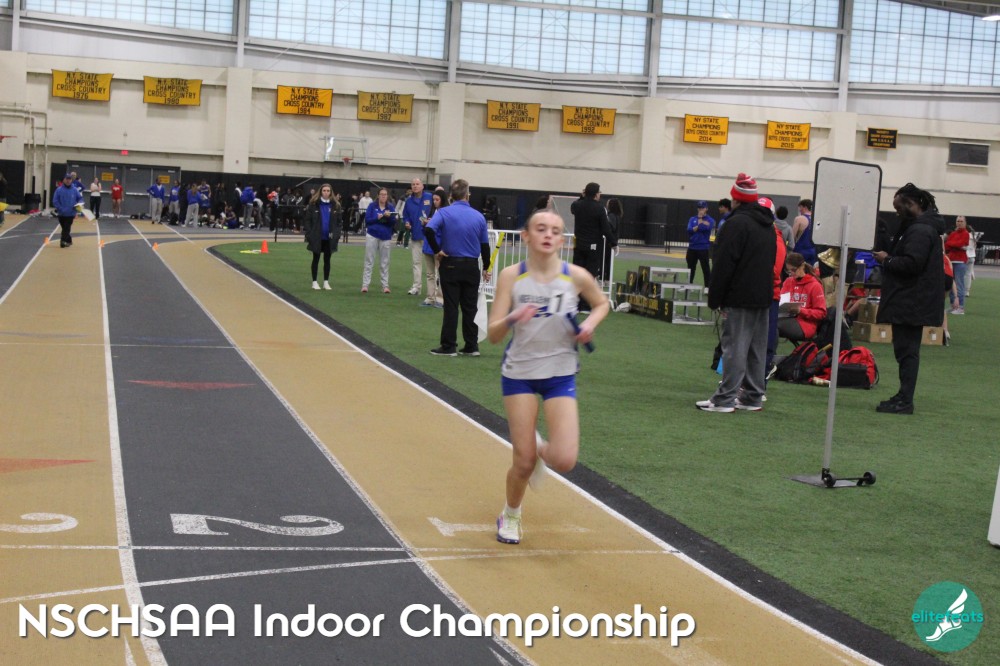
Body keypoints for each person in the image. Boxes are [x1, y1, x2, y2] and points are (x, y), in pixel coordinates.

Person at [486, 210, 609, 545]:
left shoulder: (576, 276)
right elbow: (493, 334)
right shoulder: (512, 276)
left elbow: (602, 304)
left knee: (565, 459)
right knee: (523, 461)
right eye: (541, 229)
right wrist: (513, 317)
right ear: (526, 236)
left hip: (560, 373)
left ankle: (541, 448)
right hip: (520, 374)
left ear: (563, 240)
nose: (548, 235)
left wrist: (589, 324)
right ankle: (511, 514)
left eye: (555, 231)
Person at [696, 173, 776, 413]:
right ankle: (752, 396)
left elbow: (723, 264)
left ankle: (725, 399)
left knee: (735, 348)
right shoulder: (768, 226)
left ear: (735, 199)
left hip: (739, 295)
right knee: (755, 349)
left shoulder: (735, 224)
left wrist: (715, 298)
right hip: (763, 295)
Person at [872, 183, 945, 415]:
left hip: (911, 300)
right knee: (905, 351)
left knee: (907, 352)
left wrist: (887, 260)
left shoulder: (920, 230)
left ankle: (905, 399)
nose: (897, 213)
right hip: (913, 299)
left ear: (911, 204)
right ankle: (903, 396)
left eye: (898, 208)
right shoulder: (922, 227)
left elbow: (912, 264)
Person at [425, 178, 490, 356]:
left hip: (451, 263)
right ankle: (471, 345)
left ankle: (449, 346)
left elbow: (429, 230)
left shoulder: (443, 212)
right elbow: (485, 245)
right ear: (467, 194)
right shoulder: (479, 216)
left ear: (451, 195)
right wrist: (487, 267)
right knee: (470, 307)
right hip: (471, 266)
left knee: (451, 306)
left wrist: (437, 250)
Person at [570, 183, 617, 283]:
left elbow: (573, 208)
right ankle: (587, 291)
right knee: (590, 274)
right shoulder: (600, 208)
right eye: (599, 192)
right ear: (596, 194)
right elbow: (605, 228)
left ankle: (577, 291)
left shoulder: (577, 205)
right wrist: (613, 243)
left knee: (577, 272)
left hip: (579, 245)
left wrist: (582, 197)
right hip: (593, 246)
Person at [778, 253, 827, 342]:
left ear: (802, 266)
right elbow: (781, 301)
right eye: (788, 271)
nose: (791, 273)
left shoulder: (815, 285)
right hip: (787, 319)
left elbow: (821, 313)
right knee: (768, 323)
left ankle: (768, 351)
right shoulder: (788, 282)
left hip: (806, 325)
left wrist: (801, 311)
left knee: (773, 325)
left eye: (794, 270)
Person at [304, 183, 341, 291]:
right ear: (320, 191)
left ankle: (326, 282)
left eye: (328, 191)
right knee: (316, 259)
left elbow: (339, 223)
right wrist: (309, 234)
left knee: (327, 260)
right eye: (324, 190)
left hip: (329, 237)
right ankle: (314, 282)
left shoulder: (336, 205)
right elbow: (307, 220)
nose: (326, 192)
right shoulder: (313, 204)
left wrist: (337, 235)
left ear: (331, 192)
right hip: (317, 237)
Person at [361, 187, 396, 294]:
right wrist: (378, 217)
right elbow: (368, 220)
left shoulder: (390, 207)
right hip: (372, 234)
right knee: (369, 260)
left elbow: (393, 222)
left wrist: (389, 217)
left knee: (385, 262)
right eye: (381, 194)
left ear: (387, 196)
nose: (383, 196)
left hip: (385, 236)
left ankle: (385, 285)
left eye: (385, 194)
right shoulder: (372, 206)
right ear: (378, 195)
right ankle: (365, 284)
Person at [403, 178, 434, 296]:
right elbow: (406, 216)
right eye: (413, 184)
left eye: (417, 184)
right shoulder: (408, 201)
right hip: (416, 235)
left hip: (430, 236)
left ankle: (434, 288)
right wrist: (407, 222)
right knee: (416, 262)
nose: (415, 186)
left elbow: (437, 211)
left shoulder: (430, 197)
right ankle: (416, 287)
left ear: (422, 186)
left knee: (432, 264)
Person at [419, 188, 448, 308]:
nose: (435, 202)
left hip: (438, 246)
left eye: (437, 199)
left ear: (442, 200)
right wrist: (425, 224)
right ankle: (430, 297)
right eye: (434, 199)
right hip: (428, 245)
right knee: (430, 274)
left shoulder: (445, 213)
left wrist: (432, 225)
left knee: (441, 274)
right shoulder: (432, 211)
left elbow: (446, 230)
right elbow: (426, 231)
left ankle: (440, 298)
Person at [944, 216, 970, 315]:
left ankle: (960, 307)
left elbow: (960, 243)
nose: (959, 223)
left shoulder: (966, 233)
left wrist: (953, 244)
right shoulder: (953, 233)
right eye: (958, 221)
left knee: (959, 284)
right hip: (951, 261)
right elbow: (947, 246)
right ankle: (953, 306)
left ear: (965, 223)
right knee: (952, 284)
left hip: (960, 262)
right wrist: (956, 245)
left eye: (961, 221)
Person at [686, 200, 715, 286]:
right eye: (699, 208)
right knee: (690, 268)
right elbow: (689, 230)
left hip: (703, 248)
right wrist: (695, 228)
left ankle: (707, 287)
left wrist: (699, 219)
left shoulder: (710, 220)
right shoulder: (692, 219)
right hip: (692, 247)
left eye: (702, 208)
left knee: (705, 268)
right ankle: (689, 285)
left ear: (706, 209)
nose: (700, 210)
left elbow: (703, 227)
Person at [52, 173, 83, 248]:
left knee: (66, 228)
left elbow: (80, 198)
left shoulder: (74, 190)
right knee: (64, 228)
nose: (68, 180)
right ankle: (69, 240)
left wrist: (78, 205)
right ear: (64, 180)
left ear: (71, 180)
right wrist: (60, 208)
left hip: (70, 213)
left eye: (70, 179)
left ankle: (62, 241)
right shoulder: (59, 190)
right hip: (61, 213)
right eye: (67, 179)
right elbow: (55, 201)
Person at [791, 199, 818, 266]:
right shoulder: (817, 219)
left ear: (805, 207)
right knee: (811, 270)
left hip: (800, 251)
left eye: (800, 207)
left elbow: (792, 236)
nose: (799, 210)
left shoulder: (799, 219)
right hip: (813, 251)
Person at [603, 198, 623, 282]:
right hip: (612, 241)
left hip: (609, 241)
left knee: (606, 260)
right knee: (608, 261)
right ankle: (607, 278)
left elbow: (611, 228)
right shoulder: (616, 215)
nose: (606, 204)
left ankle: (605, 278)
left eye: (608, 203)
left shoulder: (611, 216)